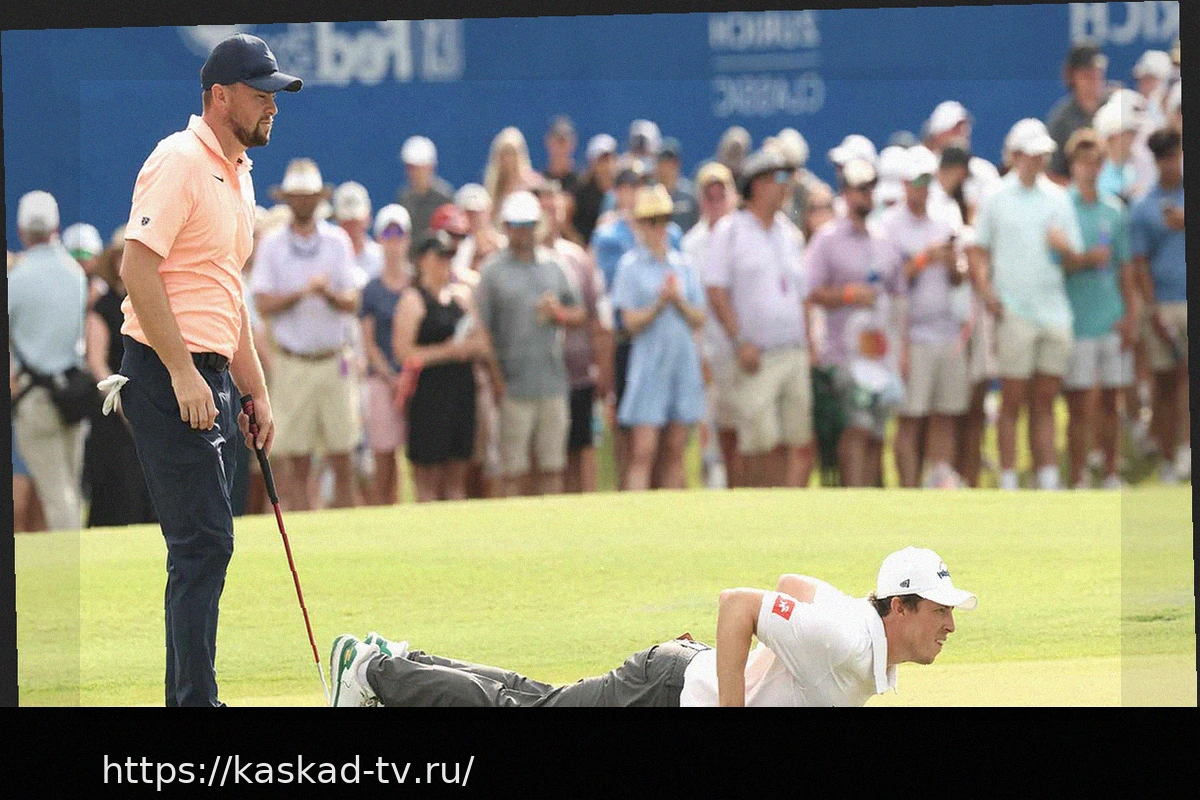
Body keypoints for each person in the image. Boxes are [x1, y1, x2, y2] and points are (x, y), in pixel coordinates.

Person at [113, 34, 297, 706]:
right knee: (205, 543)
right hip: (168, 374)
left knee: (202, 545)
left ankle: (188, 701)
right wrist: (184, 374)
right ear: (220, 97)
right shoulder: (180, 160)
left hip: (210, 376)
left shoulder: (238, 172)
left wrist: (255, 390)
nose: (272, 106)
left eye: (274, 95)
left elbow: (226, 292)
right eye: (260, 94)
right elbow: (136, 269)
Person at [328, 546, 976, 707]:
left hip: (678, 674)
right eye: (939, 610)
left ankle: (401, 659)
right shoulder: (846, 638)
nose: (949, 624)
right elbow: (739, 604)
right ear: (900, 606)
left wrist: (760, 672)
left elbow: (792, 586)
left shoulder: (858, 629)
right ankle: (370, 671)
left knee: (535, 698)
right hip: (668, 689)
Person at [971, 118, 1088, 491]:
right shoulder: (994, 196)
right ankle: (1009, 480)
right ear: (1015, 155)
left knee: (1045, 400)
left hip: (1054, 312)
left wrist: (1064, 248)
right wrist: (987, 291)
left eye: (1043, 155)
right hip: (1013, 312)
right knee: (1012, 400)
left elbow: (1075, 258)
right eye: (1033, 154)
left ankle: (1047, 478)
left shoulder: (1058, 197)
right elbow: (978, 250)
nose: (1039, 161)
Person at [251, 157, 362, 511]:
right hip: (293, 361)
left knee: (343, 455)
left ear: (317, 199)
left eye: (308, 196)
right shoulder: (272, 244)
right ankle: (303, 529)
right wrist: (302, 293)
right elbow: (262, 301)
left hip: (333, 359)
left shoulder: (336, 241)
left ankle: (348, 530)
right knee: (296, 459)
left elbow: (352, 300)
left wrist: (326, 294)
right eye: (296, 196)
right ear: (288, 200)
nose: (302, 202)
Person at [705, 148, 815, 489]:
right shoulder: (730, 231)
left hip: (793, 350)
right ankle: (758, 508)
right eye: (779, 178)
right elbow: (716, 291)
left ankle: (784, 509)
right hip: (756, 355)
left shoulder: (790, 233)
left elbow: (801, 296)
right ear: (757, 184)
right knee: (758, 441)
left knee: (794, 438)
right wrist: (739, 341)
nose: (786, 186)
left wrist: (808, 344)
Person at [476, 191, 585, 498]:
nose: (523, 232)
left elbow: (579, 313)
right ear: (506, 227)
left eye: (528, 225)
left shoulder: (554, 266)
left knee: (552, 467)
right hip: (513, 384)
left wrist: (558, 314)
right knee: (513, 469)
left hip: (552, 381)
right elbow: (483, 332)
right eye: (517, 225)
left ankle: (549, 525)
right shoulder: (493, 271)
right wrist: (497, 380)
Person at [807, 158, 905, 488]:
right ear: (846, 193)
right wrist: (848, 294)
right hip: (843, 355)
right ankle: (854, 498)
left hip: (880, 355)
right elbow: (811, 292)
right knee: (856, 429)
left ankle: (871, 501)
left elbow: (898, 295)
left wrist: (900, 351)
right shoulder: (826, 239)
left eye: (870, 188)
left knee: (877, 433)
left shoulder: (883, 239)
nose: (866, 195)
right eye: (860, 189)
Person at [877, 147, 969, 489]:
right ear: (904, 184)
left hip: (947, 331)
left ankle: (939, 483)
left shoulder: (944, 220)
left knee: (944, 414)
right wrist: (923, 259)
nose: (923, 188)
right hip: (910, 336)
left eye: (927, 181)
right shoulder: (889, 225)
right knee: (911, 417)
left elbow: (958, 277)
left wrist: (953, 264)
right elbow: (888, 280)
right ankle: (909, 489)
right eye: (917, 182)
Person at [611, 185, 707, 491]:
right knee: (643, 449)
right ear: (640, 224)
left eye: (663, 219)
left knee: (676, 449)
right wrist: (659, 305)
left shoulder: (684, 265)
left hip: (681, 360)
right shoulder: (630, 267)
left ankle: (674, 513)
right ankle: (636, 512)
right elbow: (628, 322)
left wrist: (677, 301)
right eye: (651, 220)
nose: (658, 228)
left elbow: (699, 317)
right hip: (649, 363)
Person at [1060, 128, 1137, 490]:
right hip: (1076, 320)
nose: (1090, 169)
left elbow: (1125, 268)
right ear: (1072, 165)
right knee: (1079, 404)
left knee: (1111, 400)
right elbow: (1057, 263)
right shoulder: (1061, 207)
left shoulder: (1114, 210)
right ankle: (1077, 476)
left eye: (1096, 163)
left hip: (1111, 318)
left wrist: (1130, 315)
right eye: (1083, 162)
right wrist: (1085, 259)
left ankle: (1110, 473)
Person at [8, 190, 89, 532]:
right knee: (70, 486)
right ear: (55, 227)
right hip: (73, 392)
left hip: (34, 396)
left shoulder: (17, 279)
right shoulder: (76, 274)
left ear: (22, 231)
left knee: (57, 493)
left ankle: (70, 559)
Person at [393, 230, 489, 501]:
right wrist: (446, 352)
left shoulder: (461, 296)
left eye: (449, 257)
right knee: (428, 475)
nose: (445, 263)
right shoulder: (414, 300)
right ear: (423, 260)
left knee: (458, 471)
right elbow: (404, 352)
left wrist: (464, 349)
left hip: (460, 389)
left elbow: (482, 341)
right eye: (439, 257)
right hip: (429, 394)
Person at [532, 175, 611, 494]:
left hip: (578, 372)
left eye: (555, 207)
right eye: (544, 209)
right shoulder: (524, 260)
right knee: (547, 454)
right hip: (539, 374)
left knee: (583, 448)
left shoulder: (578, 257)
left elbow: (595, 317)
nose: (550, 215)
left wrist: (602, 368)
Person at [82, 225, 158, 526]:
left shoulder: (151, 306)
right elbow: (96, 362)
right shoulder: (104, 308)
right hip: (113, 411)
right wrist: (120, 401)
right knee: (119, 487)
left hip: (151, 404)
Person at [1130, 128, 1188, 484]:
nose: (1171, 163)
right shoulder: (1144, 207)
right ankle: (1168, 457)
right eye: (1165, 157)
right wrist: (1152, 310)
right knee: (1165, 384)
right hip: (1164, 304)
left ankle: (1186, 451)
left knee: (1187, 378)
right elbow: (1139, 264)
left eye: (1175, 155)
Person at [681, 161, 740, 488]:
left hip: (743, 351)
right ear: (701, 201)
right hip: (708, 353)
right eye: (709, 195)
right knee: (710, 436)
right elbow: (693, 306)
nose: (716, 201)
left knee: (742, 433)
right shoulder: (691, 245)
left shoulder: (744, 235)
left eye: (721, 194)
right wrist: (698, 354)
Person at [357, 204, 413, 505]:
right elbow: (369, 344)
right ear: (379, 239)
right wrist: (391, 377)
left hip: (416, 379)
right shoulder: (371, 290)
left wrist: (408, 375)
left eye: (399, 234)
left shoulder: (417, 283)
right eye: (388, 234)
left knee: (416, 459)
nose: (394, 241)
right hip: (382, 381)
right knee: (383, 457)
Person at [1045, 42, 1111, 184]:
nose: (1094, 77)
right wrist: (1082, 190)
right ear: (1072, 76)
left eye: (1098, 71)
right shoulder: (1061, 119)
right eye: (1087, 73)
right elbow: (1052, 173)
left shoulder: (1115, 103)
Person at [397, 135, 455, 243]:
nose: (413, 173)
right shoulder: (404, 198)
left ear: (430, 167)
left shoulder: (444, 197)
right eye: (410, 168)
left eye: (418, 168)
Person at [451, 183, 506, 285]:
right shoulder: (456, 244)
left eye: (479, 213)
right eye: (468, 213)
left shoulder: (504, 244)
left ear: (489, 211)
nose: (474, 218)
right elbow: (455, 272)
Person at [332, 181, 384, 283]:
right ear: (337, 220)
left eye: (356, 221)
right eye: (347, 222)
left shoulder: (382, 257)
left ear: (368, 217)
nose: (352, 227)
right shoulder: (328, 257)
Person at [484, 126, 537, 225]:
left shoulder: (533, 185)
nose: (508, 158)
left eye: (511, 153)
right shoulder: (493, 188)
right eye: (504, 153)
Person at [573, 133, 618, 244]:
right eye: (602, 160)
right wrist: (583, 248)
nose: (607, 164)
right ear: (592, 162)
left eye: (610, 158)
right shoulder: (581, 194)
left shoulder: (624, 189)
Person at [655, 137, 698, 233]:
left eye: (671, 163)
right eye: (662, 163)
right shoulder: (649, 194)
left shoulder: (689, 194)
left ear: (678, 164)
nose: (666, 168)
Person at [542, 114, 580, 195]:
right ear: (547, 142)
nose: (561, 147)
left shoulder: (581, 184)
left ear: (573, 143)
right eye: (557, 141)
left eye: (564, 142)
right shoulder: (539, 183)